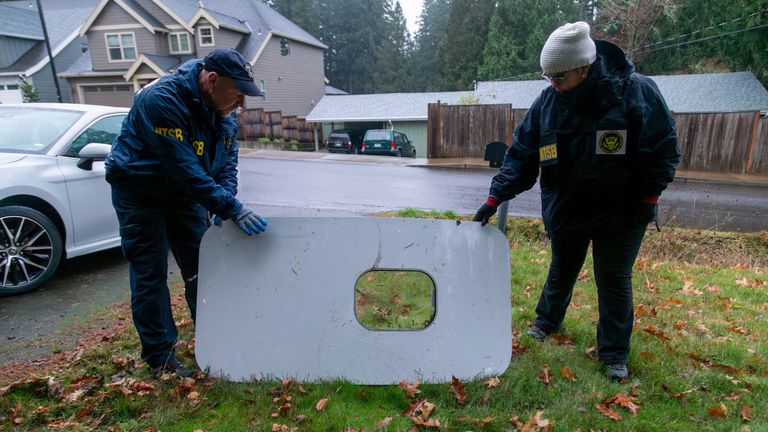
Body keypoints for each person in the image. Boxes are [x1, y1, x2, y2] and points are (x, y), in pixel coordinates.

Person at [473, 22, 680, 380]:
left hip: (622, 211)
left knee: (613, 278)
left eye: (559, 76)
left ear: (583, 68)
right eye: (547, 76)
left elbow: (663, 148)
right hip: (567, 207)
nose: (552, 84)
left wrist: (649, 194)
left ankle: (614, 354)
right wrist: (496, 196)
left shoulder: (635, 92)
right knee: (562, 267)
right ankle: (546, 321)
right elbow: (522, 154)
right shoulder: (548, 103)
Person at [106, 48, 268, 378]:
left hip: (184, 195)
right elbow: (184, 168)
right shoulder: (161, 99)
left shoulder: (224, 112)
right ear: (212, 80)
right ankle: (161, 357)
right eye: (236, 93)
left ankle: (216, 341)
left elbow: (227, 164)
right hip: (140, 191)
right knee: (150, 274)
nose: (240, 104)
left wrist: (226, 201)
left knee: (203, 271)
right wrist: (229, 207)